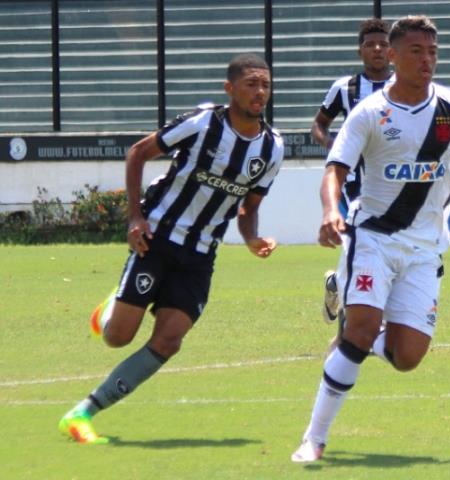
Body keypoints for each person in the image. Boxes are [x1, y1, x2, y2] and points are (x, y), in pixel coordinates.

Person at [291, 15, 450, 463]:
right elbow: (336, 170)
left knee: (407, 357)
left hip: (426, 247)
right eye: (415, 52)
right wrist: (331, 211)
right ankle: (314, 438)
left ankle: (351, 316)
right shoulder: (368, 114)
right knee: (361, 332)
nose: (426, 60)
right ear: (392, 56)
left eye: (432, 52)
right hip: (372, 236)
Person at [58, 53, 284, 444]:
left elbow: (248, 208)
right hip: (159, 237)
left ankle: (83, 413)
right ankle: (112, 308)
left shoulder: (272, 148)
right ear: (230, 88)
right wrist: (134, 217)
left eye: (265, 84)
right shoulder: (202, 123)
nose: (259, 92)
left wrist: (251, 238)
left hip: (200, 254)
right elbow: (138, 153)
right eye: (251, 83)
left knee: (169, 340)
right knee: (117, 338)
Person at [312, 18, 393, 327]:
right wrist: (333, 145)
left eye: (383, 44)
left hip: (395, 182)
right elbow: (319, 123)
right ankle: (359, 314)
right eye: (370, 44)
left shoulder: (405, 86)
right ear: (360, 51)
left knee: (383, 244)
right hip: (356, 181)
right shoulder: (344, 88)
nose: (377, 49)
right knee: (366, 238)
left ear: (392, 51)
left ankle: (337, 284)